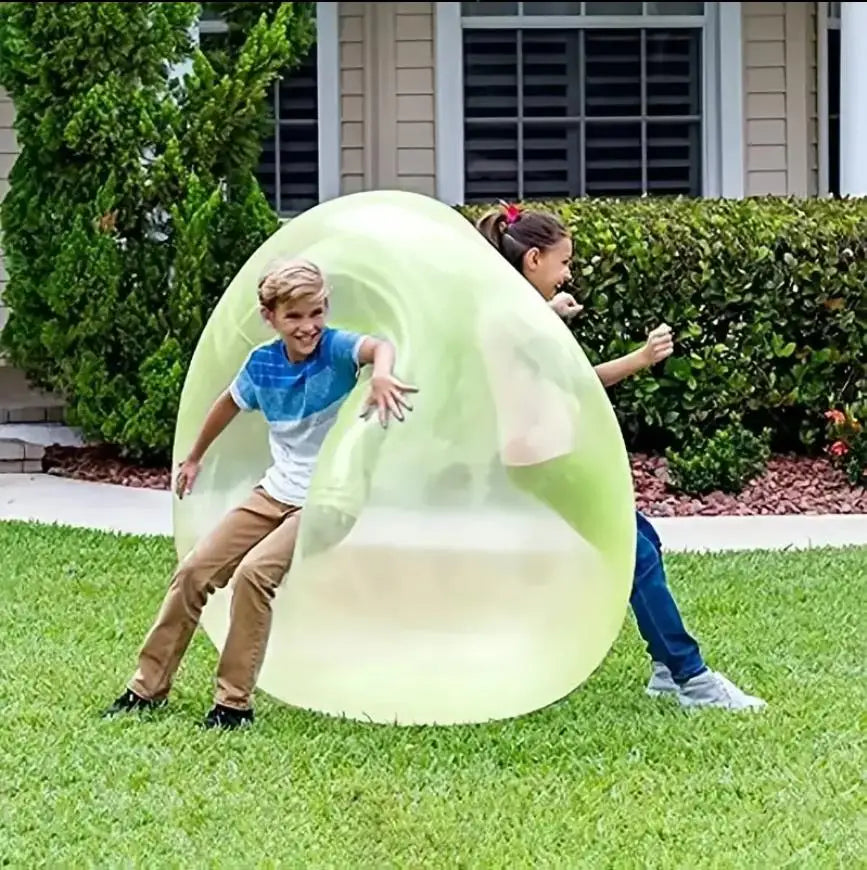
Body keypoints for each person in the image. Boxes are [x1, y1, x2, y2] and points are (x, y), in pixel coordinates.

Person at [103, 259, 417, 729]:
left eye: (316, 313)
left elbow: (380, 346)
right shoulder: (262, 364)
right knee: (192, 572)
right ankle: (146, 688)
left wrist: (382, 374)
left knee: (253, 575)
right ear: (269, 317)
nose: (308, 326)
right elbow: (226, 404)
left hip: (328, 500)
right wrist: (194, 457)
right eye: (294, 317)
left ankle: (233, 704)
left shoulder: (335, 349)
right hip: (275, 493)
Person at [477, 204, 766, 712]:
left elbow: (563, 373)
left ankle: (665, 669)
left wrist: (558, 317)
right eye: (564, 262)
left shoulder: (518, 314)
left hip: (553, 459)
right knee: (636, 553)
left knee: (643, 540)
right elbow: (540, 354)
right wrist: (630, 352)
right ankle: (690, 676)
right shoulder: (507, 316)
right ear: (534, 259)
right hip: (541, 465)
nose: (569, 273)